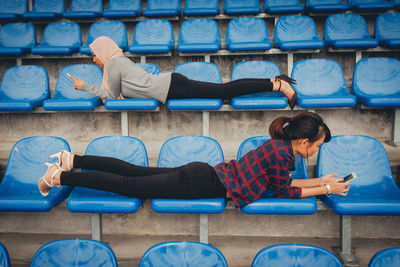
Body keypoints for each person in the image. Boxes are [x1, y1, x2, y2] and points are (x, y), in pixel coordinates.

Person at [38, 112, 350, 208]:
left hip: (203, 174)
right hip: (200, 183)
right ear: (306, 142)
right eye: (318, 146)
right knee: (128, 184)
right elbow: (287, 191)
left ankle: (71, 159)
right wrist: (325, 190)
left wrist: (324, 182)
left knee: (131, 173)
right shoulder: (280, 155)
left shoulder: (279, 148)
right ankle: (60, 176)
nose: (317, 151)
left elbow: (287, 184)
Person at [68, 36, 298, 109]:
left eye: (94, 55)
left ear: (102, 51)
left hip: (172, 86)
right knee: (223, 91)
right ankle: (273, 82)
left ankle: (276, 84)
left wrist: (84, 86)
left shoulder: (114, 63)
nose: (94, 59)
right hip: (171, 86)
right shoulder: (115, 61)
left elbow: (110, 93)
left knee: (224, 91)